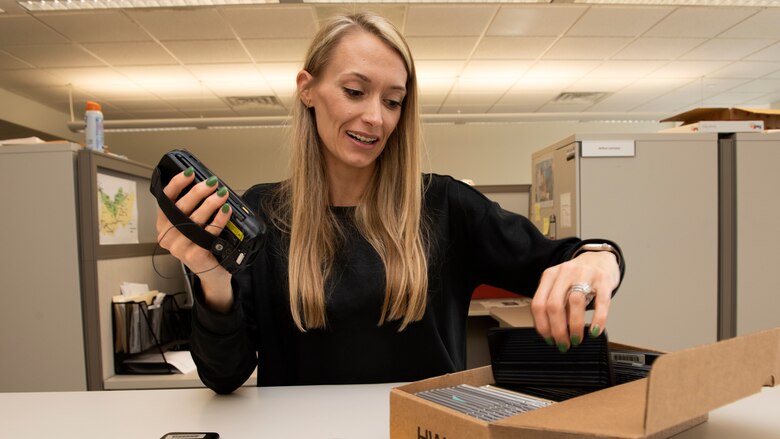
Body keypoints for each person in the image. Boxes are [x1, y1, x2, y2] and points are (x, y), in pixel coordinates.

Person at [156, 12, 624, 394]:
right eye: (355, 91)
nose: (375, 117)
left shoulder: (444, 206)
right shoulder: (263, 213)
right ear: (307, 88)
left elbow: (564, 258)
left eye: (394, 101)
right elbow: (224, 375)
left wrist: (601, 260)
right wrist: (211, 276)